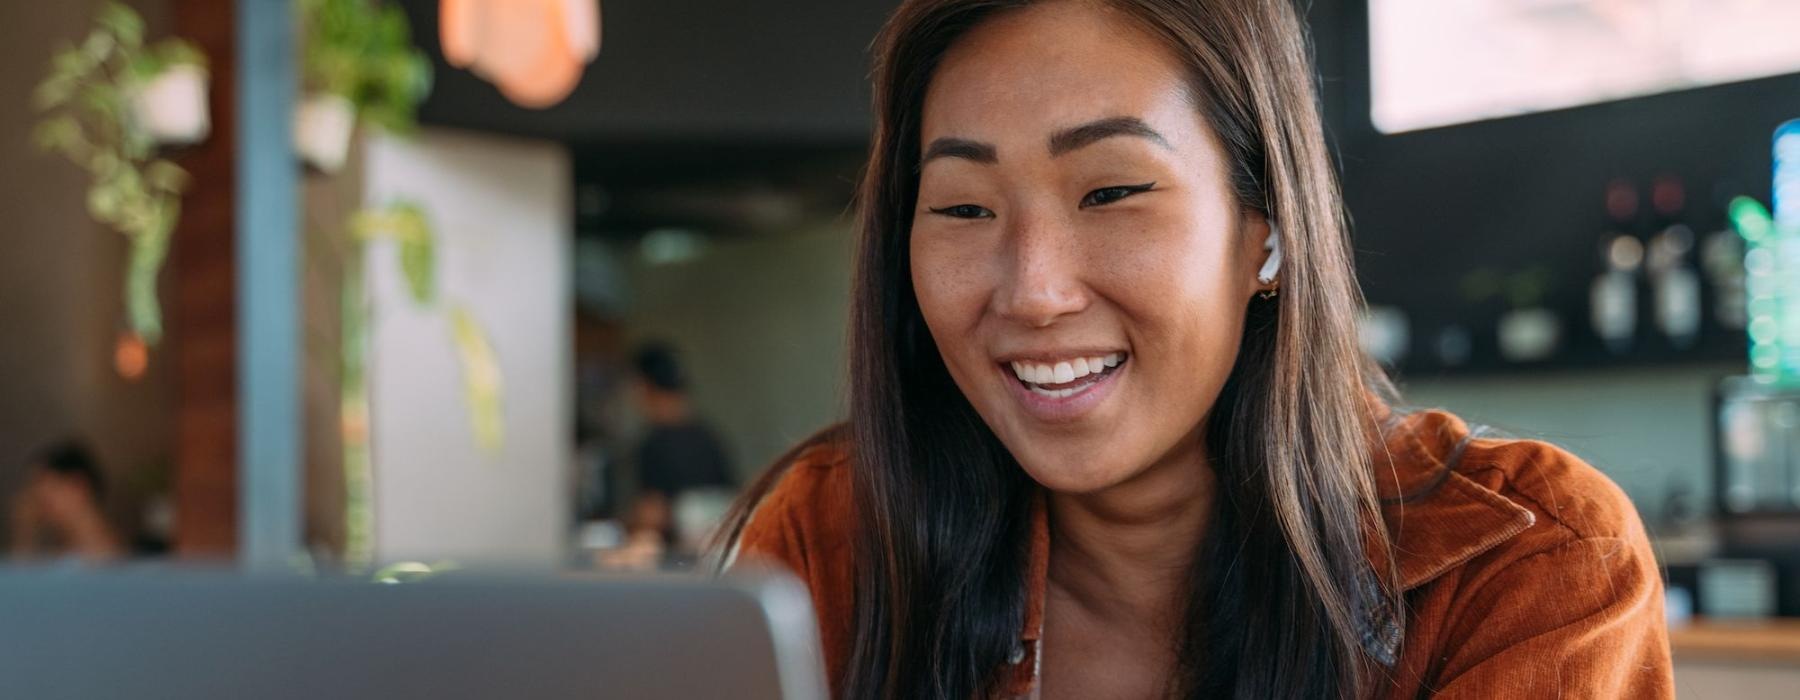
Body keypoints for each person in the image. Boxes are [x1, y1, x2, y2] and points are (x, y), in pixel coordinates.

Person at [718, 1, 1673, 698]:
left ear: (1265, 228)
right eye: (964, 208)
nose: (1034, 291)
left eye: (1113, 193)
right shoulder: (833, 540)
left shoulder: (1527, 567)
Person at [620, 342, 735, 557]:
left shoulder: (655, 444)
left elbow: (653, 515)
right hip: (715, 562)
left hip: (676, 563)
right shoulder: (710, 437)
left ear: (643, 386)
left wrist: (623, 528)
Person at [9, 440, 124, 563]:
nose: (37, 506)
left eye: (46, 496)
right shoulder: (58, 556)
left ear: (78, 486)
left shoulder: (112, 557)